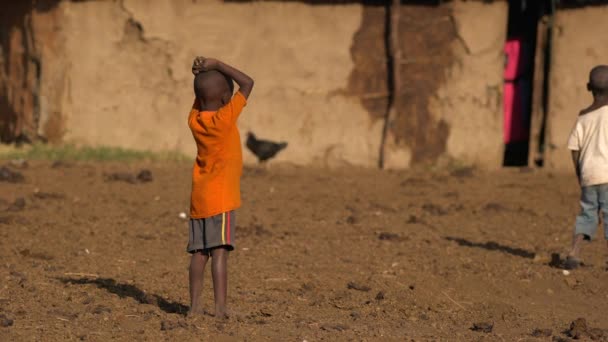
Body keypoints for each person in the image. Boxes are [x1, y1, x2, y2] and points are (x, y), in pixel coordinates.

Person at [186, 56, 254, 316]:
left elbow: (201, 97)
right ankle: (221, 307)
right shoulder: (225, 119)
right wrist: (217, 64)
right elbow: (247, 83)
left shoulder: (195, 120)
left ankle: (194, 308)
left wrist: (200, 76)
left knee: (199, 253)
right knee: (220, 252)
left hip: (199, 198)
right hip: (222, 200)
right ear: (227, 97)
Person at [565, 65, 608, 270]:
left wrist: (579, 175)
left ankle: (574, 253)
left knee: (587, 214)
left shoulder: (582, 118)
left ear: (588, 87)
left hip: (589, 175)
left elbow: (574, 150)